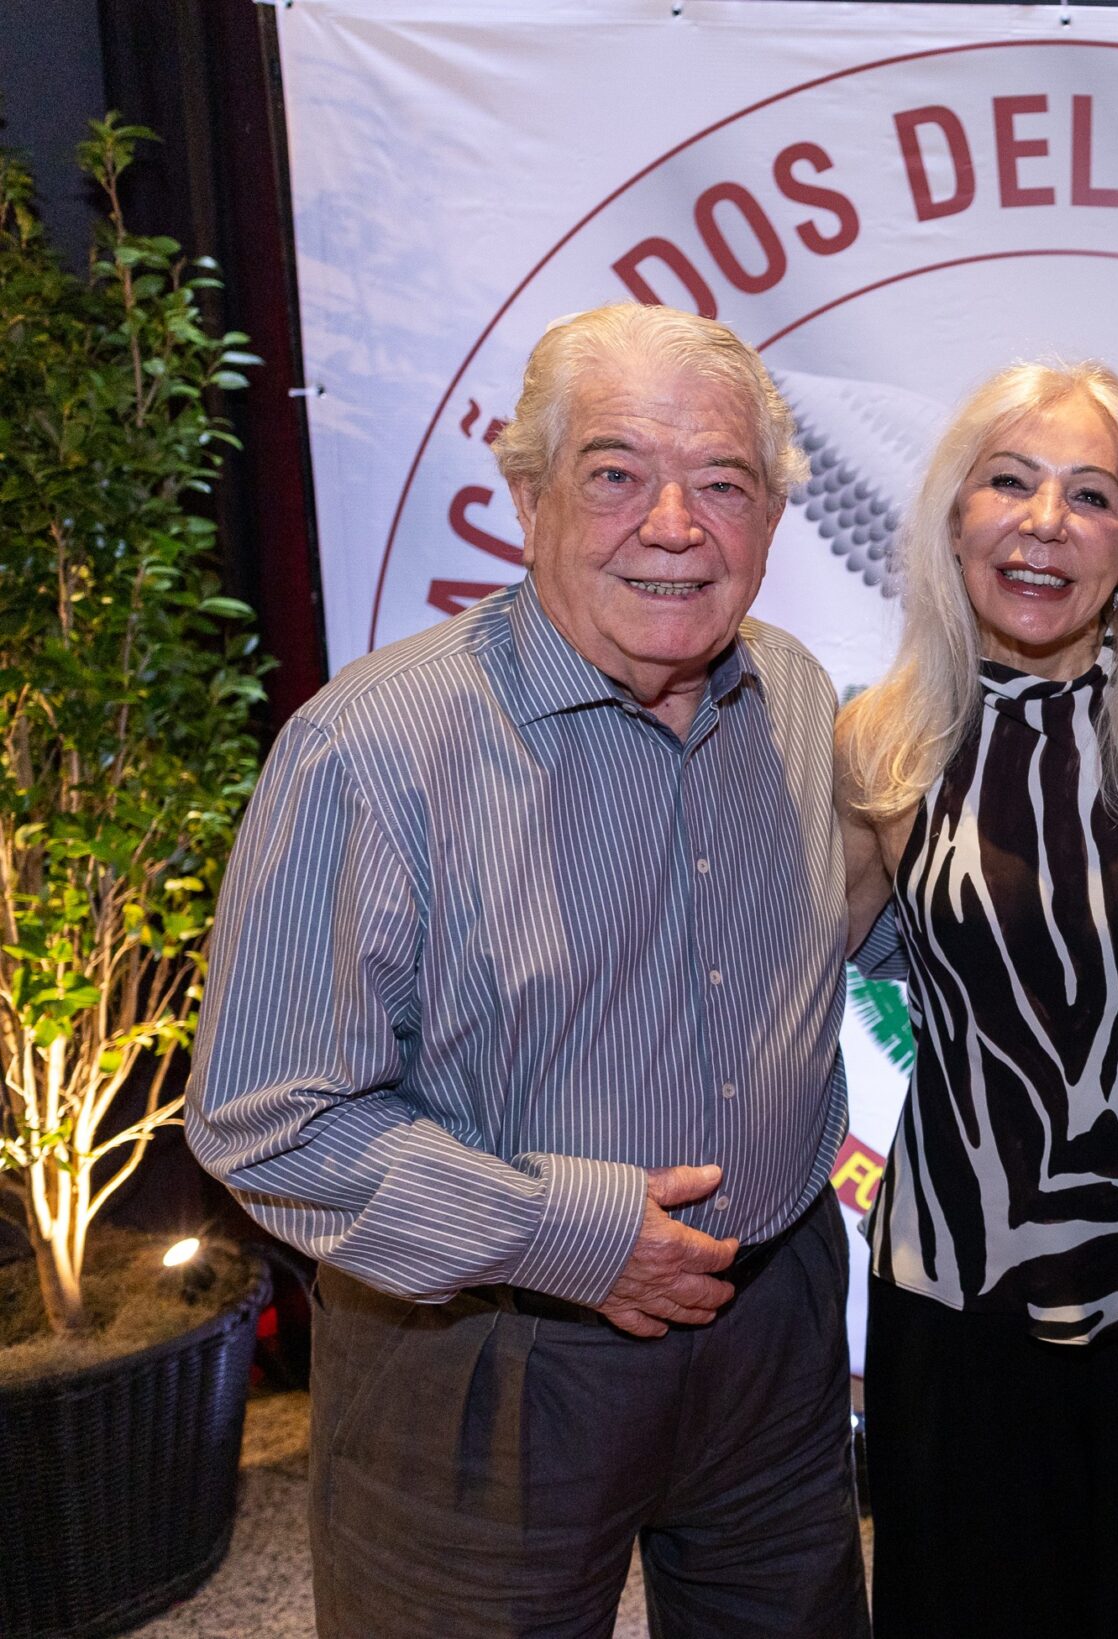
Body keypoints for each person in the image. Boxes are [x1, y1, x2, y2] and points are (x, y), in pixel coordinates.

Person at [185, 303, 866, 1637]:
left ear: (775, 518)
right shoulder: (371, 747)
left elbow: (834, 929)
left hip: (776, 1327)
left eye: (724, 483)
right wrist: (572, 1231)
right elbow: (269, 1117)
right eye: (616, 472)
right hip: (486, 1352)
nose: (674, 524)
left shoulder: (790, 690)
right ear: (525, 496)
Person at [832, 360, 1118, 1639]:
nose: (1046, 521)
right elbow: (771, 995)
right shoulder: (879, 746)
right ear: (954, 519)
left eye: (1090, 495)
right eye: (1009, 481)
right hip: (953, 1293)